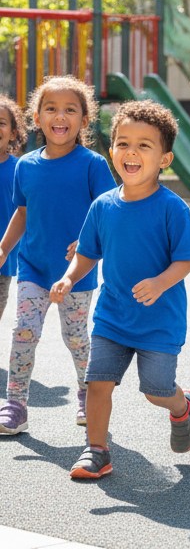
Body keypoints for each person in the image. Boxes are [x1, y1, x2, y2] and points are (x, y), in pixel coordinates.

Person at [51, 100, 190, 479]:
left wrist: (160, 282)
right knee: (96, 384)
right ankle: (97, 451)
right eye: (122, 143)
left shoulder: (173, 208)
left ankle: (182, 407)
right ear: (112, 149)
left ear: (164, 159)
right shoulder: (102, 206)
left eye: (144, 146)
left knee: (155, 390)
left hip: (159, 323)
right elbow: (87, 252)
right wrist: (69, 277)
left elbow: (185, 260)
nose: (131, 152)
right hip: (113, 317)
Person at [0, 76, 116, 435]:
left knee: (77, 337)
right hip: (33, 267)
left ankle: (86, 393)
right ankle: (16, 403)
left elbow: (110, 211)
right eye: (51, 108)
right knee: (24, 332)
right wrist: (3, 248)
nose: (60, 116)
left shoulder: (92, 164)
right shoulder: (26, 166)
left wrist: (88, 241)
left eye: (70, 109)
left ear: (84, 119)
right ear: (37, 117)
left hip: (76, 273)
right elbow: (22, 211)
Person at [0, 96, 26, 326]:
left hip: (3, 259)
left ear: (13, 132)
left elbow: (30, 211)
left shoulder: (21, 168)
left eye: (1, 122)